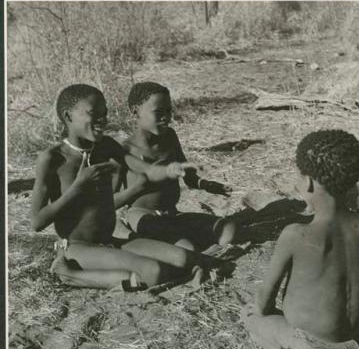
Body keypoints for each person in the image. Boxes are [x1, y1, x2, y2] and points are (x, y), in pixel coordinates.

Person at [31, 84, 221, 290]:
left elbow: (146, 170)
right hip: (77, 247)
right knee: (153, 271)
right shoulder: (52, 159)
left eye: (105, 114)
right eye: (94, 114)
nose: (102, 120)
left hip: (109, 239)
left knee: (183, 258)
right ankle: (68, 273)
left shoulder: (106, 146)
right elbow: (36, 222)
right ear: (68, 117)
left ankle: (124, 270)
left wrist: (172, 169)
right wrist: (77, 188)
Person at [241, 130, 359, 349]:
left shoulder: (296, 235)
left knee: (251, 317)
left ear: (309, 183)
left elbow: (264, 302)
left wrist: (256, 311)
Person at [121, 81, 236, 251]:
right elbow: (109, 198)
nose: (166, 117)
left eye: (168, 111)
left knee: (228, 230)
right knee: (185, 247)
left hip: (172, 214)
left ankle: (194, 252)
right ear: (135, 112)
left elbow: (188, 177)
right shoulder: (125, 150)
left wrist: (206, 185)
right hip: (143, 216)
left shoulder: (170, 137)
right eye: (158, 112)